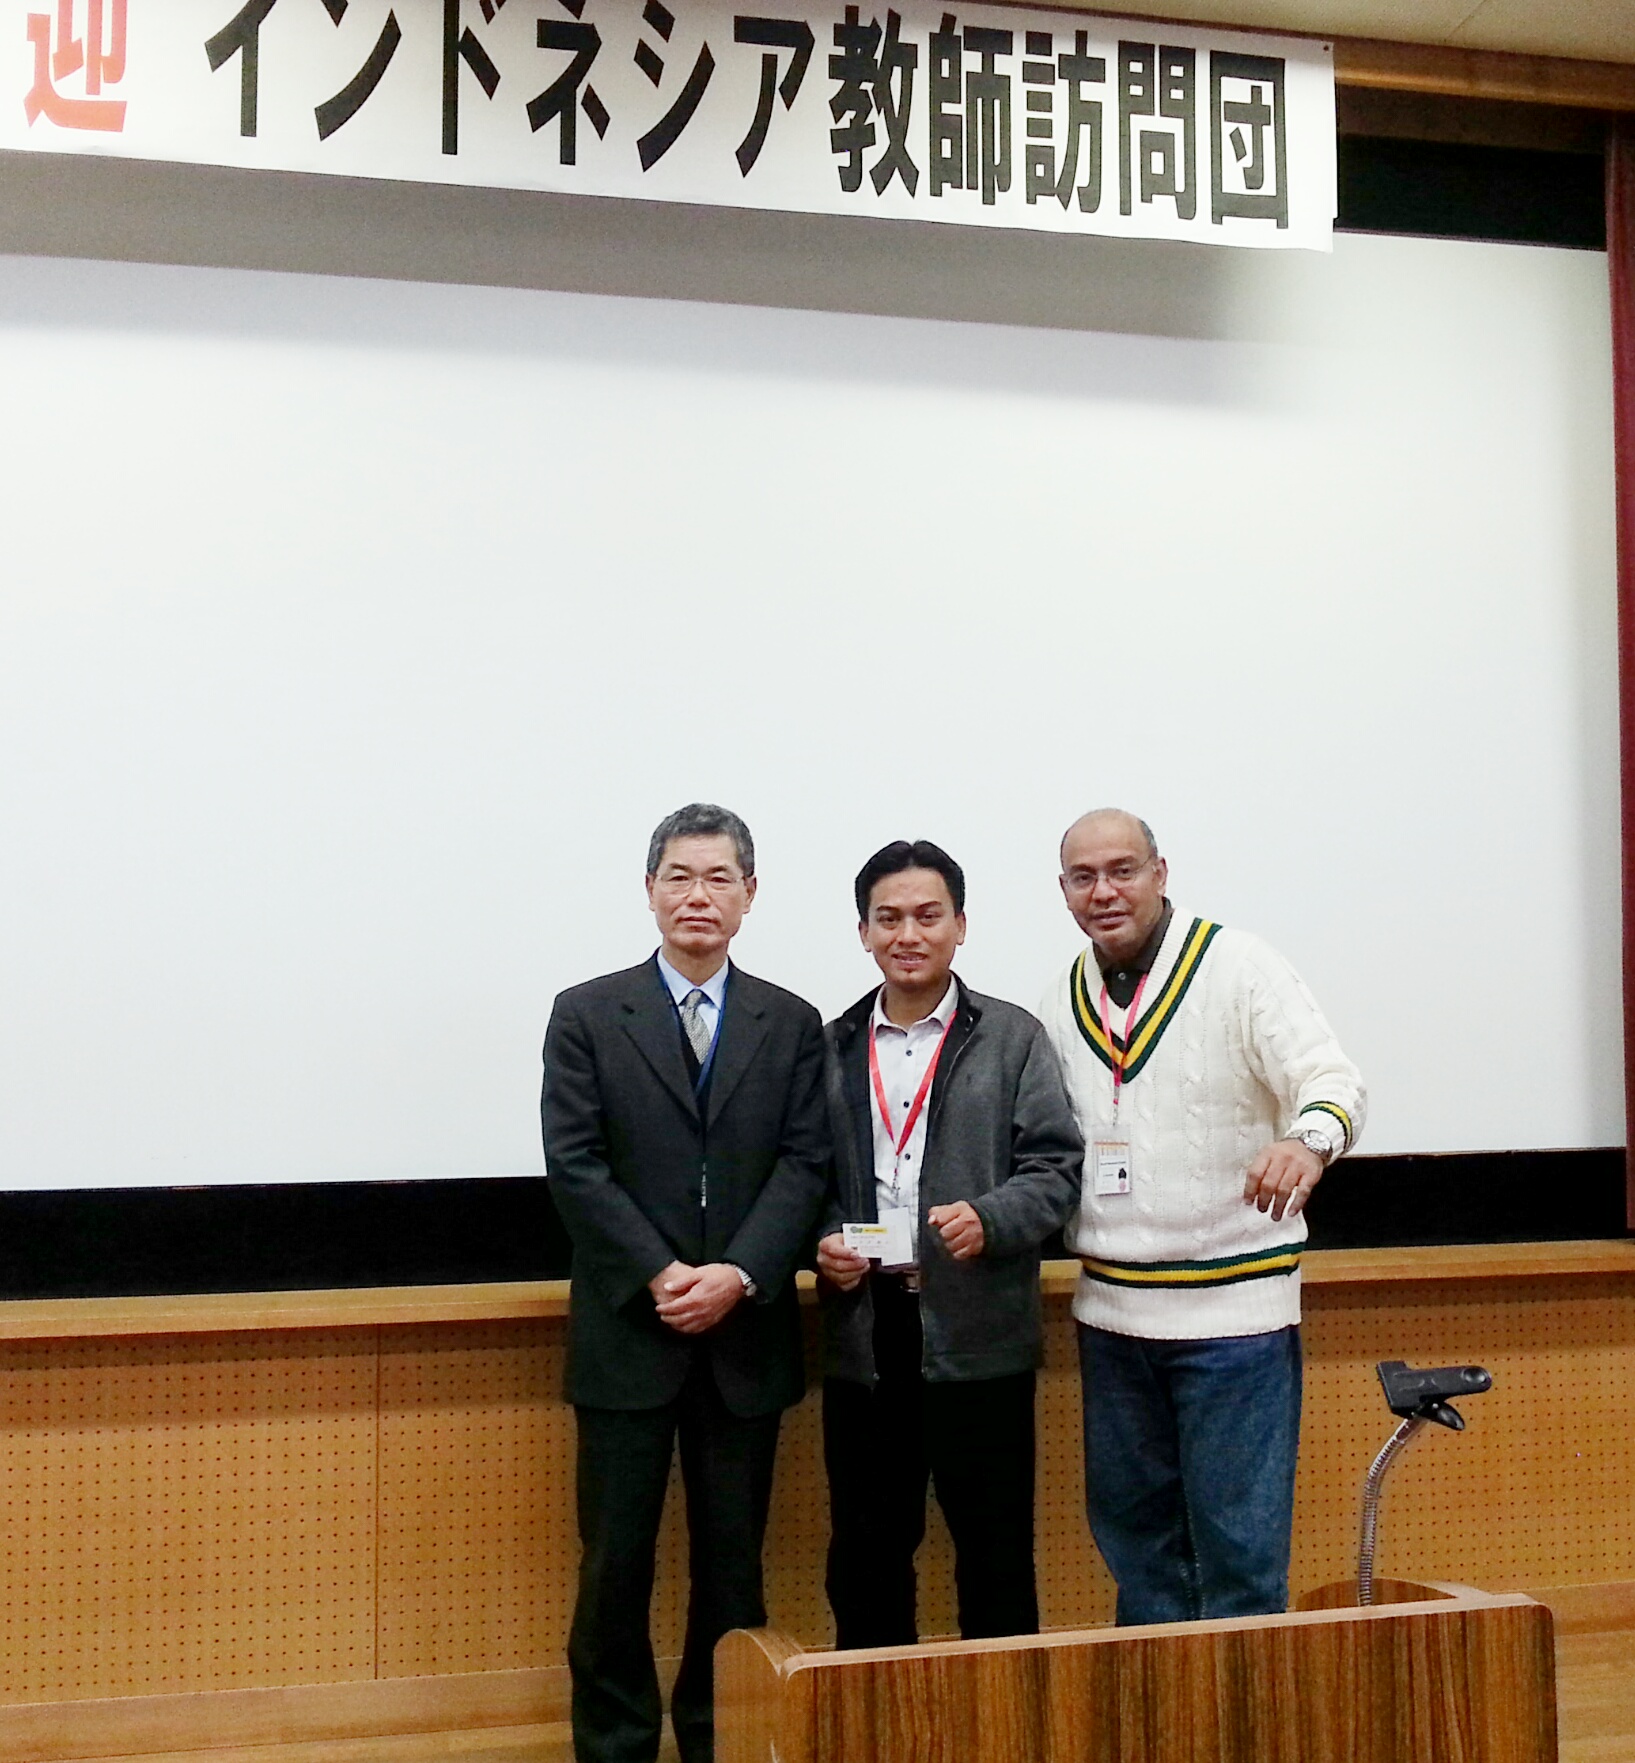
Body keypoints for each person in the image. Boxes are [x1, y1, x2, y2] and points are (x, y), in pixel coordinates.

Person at [540, 803, 828, 1763]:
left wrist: (739, 1273)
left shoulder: (789, 1022)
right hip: (630, 1330)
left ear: (749, 895)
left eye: (718, 878)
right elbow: (575, 1164)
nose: (697, 895)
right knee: (614, 1566)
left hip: (744, 1337)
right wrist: (664, 1272)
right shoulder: (586, 1013)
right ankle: (615, 1745)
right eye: (679, 875)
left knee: (732, 1570)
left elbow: (805, 1163)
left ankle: (720, 1740)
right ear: (650, 889)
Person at [1040, 808, 1366, 1627]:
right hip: (1111, 1319)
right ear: (1063, 890)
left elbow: (1333, 1080)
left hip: (1235, 1323)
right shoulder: (1059, 996)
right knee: (1138, 1554)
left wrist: (1306, 1142)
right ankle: (1159, 1703)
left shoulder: (1240, 967)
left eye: (1122, 870)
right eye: (1084, 877)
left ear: (1160, 872)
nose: (1104, 891)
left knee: (1238, 1555)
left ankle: (1248, 1706)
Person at [814, 840, 1082, 1648]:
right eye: (888, 918)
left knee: (994, 1558)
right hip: (866, 1337)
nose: (909, 934)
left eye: (928, 915)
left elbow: (1055, 1168)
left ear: (959, 925)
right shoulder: (828, 1044)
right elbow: (800, 1174)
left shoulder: (1012, 1036)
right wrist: (820, 1238)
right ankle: (873, 1713)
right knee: (866, 1558)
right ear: (862, 931)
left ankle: (1003, 1715)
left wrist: (991, 1218)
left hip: (977, 1332)